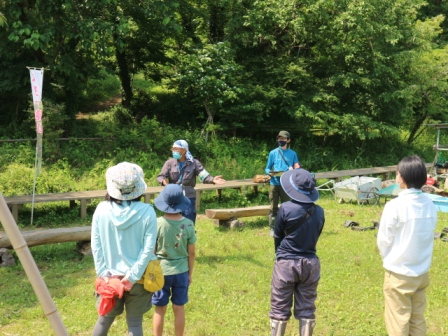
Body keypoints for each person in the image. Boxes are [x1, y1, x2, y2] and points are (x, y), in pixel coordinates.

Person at [91, 162, 157, 336]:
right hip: (139, 279)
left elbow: (96, 245)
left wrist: (104, 274)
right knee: (135, 325)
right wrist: (132, 276)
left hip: (109, 279)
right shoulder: (147, 212)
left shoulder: (101, 210)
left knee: (103, 320)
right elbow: (148, 249)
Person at [377, 155, 437, 336]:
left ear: (401, 178)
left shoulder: (395, 205)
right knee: (417, 317)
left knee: (398, 319)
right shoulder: (429, 203)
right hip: (421, 272)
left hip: (399, 273)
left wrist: (389, 259)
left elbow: (384, 240)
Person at [269, 168, 325, 336]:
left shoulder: (285, 208)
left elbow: (277, 235)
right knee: (307, 308)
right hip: (310, 263)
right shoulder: (320, 211)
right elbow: (317, 234)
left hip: (286, 263)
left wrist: (279, 256)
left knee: (279, 308)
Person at [152, 184, 197, 336]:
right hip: (181, 272)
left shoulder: (157, 224)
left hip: (160, 271)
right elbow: (192, 253)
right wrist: (190, 274)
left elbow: (151, 251)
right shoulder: (189, 224)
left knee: (160, 309)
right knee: (179, 308)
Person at [157, 139, 226, 224]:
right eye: (173, 149)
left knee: (189, 219)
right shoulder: (169, 163)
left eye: (176, 149)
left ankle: (189, 236)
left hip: (188, 195)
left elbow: (203, 176)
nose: (173, 151)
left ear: (184, 150)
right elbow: (161, 176)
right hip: (174, 195)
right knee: (173, 220)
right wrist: (165, 183)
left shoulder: (194, 163)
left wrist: (213, 180)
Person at [265, 131, 300, 236]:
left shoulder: (293, 154)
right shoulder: (273, 153)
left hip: (287, 184)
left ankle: (287, 228)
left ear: (288, 140)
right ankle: (273, 228)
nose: (281, 140)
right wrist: (270, 173)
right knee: (273, 207)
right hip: (274, 183)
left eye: (283, 139)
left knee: (288, 207)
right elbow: (267, 168)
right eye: (279, 138)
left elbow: (296, 166)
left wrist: (295, 169)